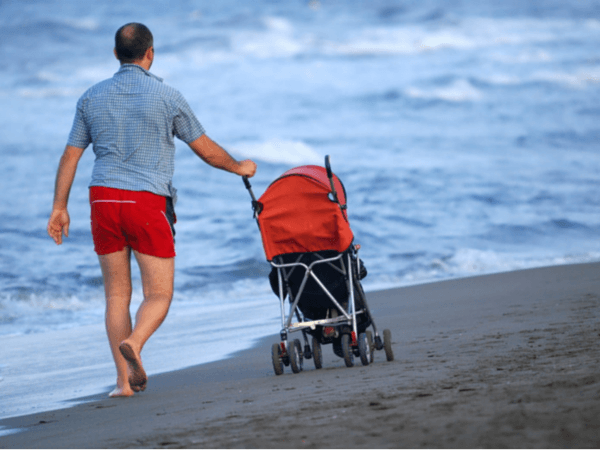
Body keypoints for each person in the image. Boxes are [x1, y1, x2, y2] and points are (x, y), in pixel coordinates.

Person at [47, 23, 257, 398]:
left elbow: (70, 155)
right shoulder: (167, 96)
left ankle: (122, 384)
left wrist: (59, 207)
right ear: (150, 54)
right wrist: (239, 166)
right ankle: (137, 343)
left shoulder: (90, 98)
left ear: (115, 54)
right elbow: (205, 149)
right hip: (146, 202)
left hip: (103, 200)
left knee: (115, 295)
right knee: (158, 293)